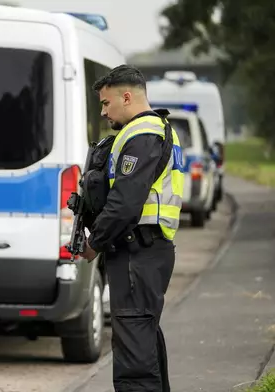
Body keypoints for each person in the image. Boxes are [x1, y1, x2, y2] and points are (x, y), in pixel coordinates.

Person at [79, 64, 185, 392]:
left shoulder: (143, 134)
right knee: (143, 336)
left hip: (139, 251)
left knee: (134, 351)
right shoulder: (151, 130)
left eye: (106, 103)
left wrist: (94, 242)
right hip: (146, 249)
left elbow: (126, 202)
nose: (103, 110)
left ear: (127, 97)